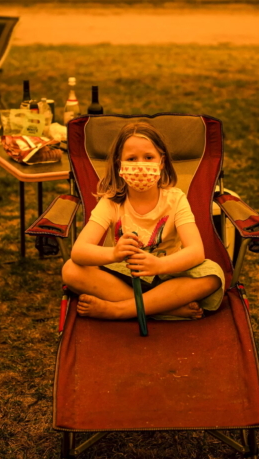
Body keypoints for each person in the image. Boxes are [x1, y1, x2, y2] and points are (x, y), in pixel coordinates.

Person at [61, 121, 224, 320]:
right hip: (127, 275)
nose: (140, 165)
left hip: (168, 274)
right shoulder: (111, 202)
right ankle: (166, 309)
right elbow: (79, 252)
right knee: (71, 270)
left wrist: (159, 266)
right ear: (119, 165)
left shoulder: (175, 199)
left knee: (213, 276)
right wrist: (114, 253)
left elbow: (196, 251)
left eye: (148, 157)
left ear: (161, 162)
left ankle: (119, 310)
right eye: (131, 158)